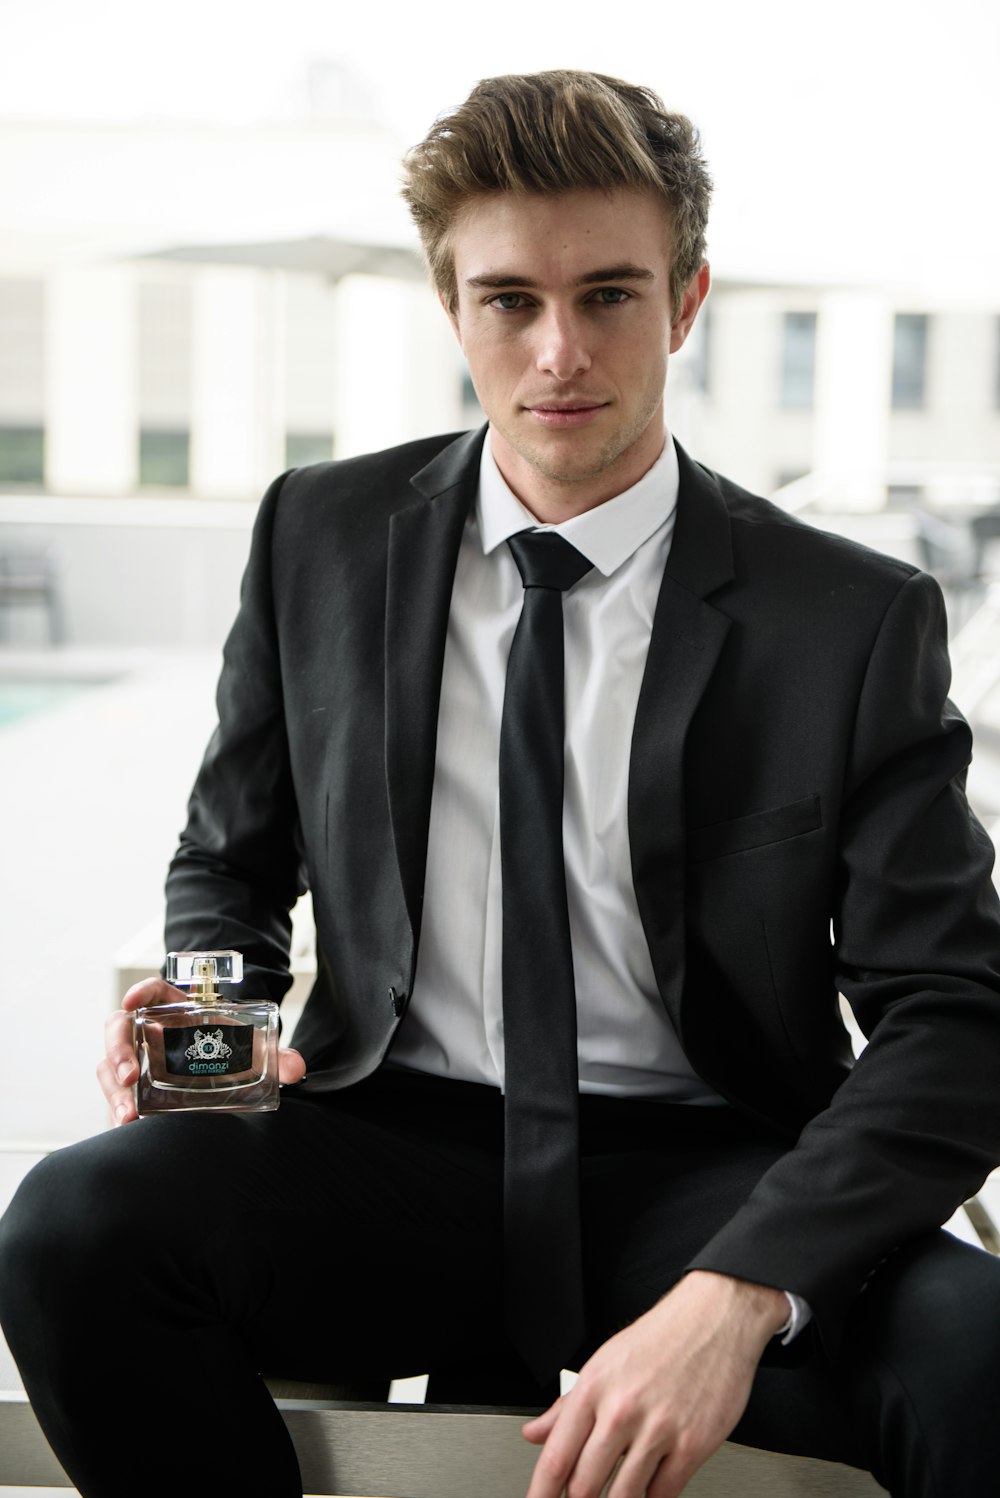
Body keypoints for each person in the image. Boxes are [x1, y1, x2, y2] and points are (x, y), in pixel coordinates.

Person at [3, 69, 1000, 1498]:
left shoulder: (847, 616)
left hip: (708, 1166)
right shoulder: (319, 537)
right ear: (452, 307)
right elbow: (231, 857)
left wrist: (741, 1294)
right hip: (392, 1145)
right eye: (509, 301)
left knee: (978, 1353)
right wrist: (212, 1015)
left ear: (688, 301)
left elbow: (958, 1012)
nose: (558, 351)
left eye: (608, 295)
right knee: (70, 1226)